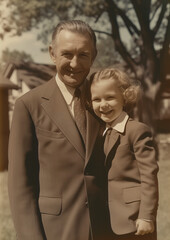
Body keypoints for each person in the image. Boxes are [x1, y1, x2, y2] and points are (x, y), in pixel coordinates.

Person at [8, 20, 109, 240]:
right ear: (52, 53)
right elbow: (20, 187)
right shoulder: (29, 105)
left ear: (94, 54)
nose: (75, 63)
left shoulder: (105, 102)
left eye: (83, 54)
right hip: (55, 230)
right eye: (67, 54)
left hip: (105, 230)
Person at [89, 68, 159, 240]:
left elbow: (149, 175)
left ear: (125, 96)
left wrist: (146, 216)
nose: (103, 104)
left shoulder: (136, 130)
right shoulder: (98, 134)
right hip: (107, 220)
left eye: (110, 98)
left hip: (134, 220)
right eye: (96, 99)